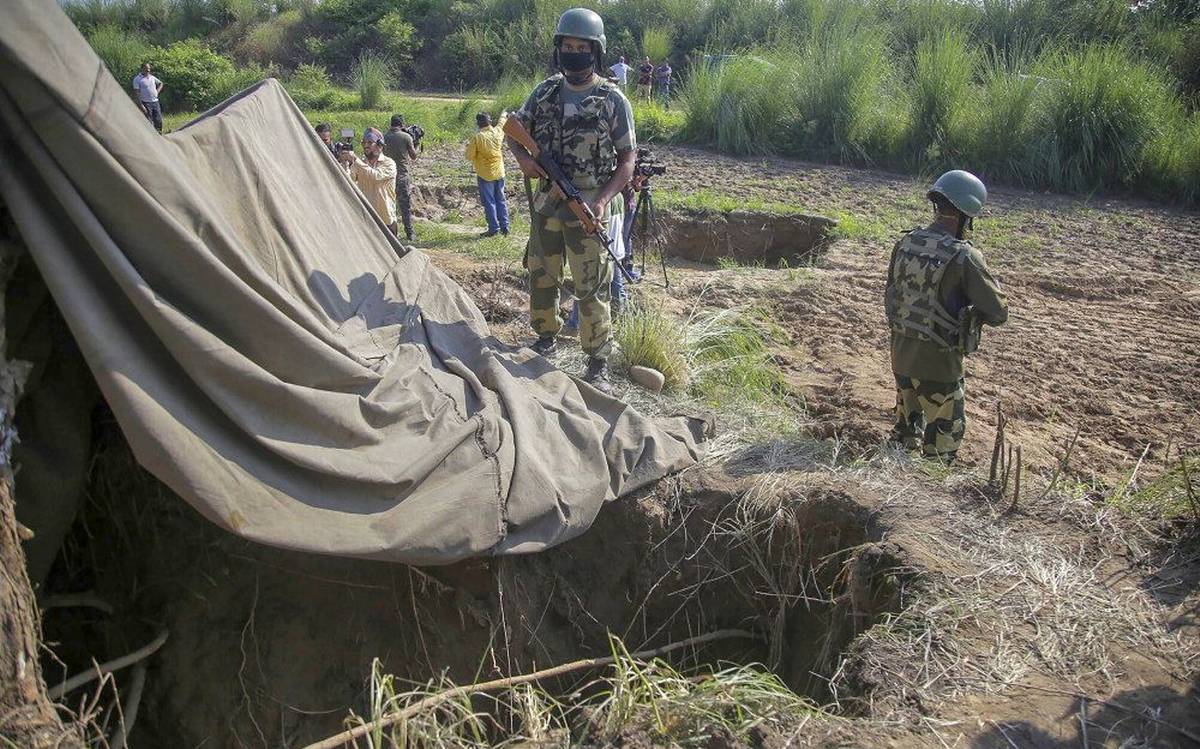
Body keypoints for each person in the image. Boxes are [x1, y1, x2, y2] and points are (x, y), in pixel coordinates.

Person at [507, 7, 637, 393]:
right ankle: (545, 336)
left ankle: (597, 358)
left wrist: (603, 200)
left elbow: (627, 158)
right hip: (548, 202)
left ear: (595, 51)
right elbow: (513, 132)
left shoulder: (612, 99)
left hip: (589, 204)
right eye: (568, 45)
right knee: (541, 273)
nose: (574, 52)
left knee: (591, 284)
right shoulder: (544, 92)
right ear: (559, 48)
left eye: (582, 46)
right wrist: (526, 161)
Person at [885, 169, 1008, 463]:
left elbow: (892, 296)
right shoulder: (964, 257)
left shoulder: (905, 243)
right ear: (967, 215)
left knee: (904, 437)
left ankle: (893, 483)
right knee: (940, 452)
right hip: (939, 365)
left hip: (901, 356)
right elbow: (998, 312)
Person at [340, 127, 399, 234]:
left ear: (380, 145)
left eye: (370, 142)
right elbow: (349, 181)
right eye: (364, 143)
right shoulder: (361, 164)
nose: (366, 146)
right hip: (366, 219)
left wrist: (355, 160)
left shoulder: (389, 163)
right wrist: (346, 164)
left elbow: (376, 176)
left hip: (386, 220)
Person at [465, 112, 510, 237]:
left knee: (489, 202)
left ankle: (493, 228)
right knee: (501, 199)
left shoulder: (478, 137)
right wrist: (504, 114)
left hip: (485, 174)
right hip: (499, 172)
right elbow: (502, 123)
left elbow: (468, 156)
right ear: (490, 122)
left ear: (478, 124)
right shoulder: (497, 132)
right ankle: (505, 227)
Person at [384, 114, 418, 242]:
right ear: (402, 124)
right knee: (405, 206)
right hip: (402, 176)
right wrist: (417, 144)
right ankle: (410, 233)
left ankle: (389, 233)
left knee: (388, 206)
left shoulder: (384, 137)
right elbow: (413, 156)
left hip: (387, 177)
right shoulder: (406, 137)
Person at [131, 62, 164, 133]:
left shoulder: (152, 77)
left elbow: (161, 83)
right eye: (146, 69)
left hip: (155, 102)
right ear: (142, 69)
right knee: (149, 122)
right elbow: (137, 94)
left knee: (159, 120)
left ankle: (159, 134)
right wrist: (141, 105)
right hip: (146, 103)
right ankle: (151, 137)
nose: (148, 70)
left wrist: (157, 92)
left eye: (149, 68)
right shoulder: (137, 79)